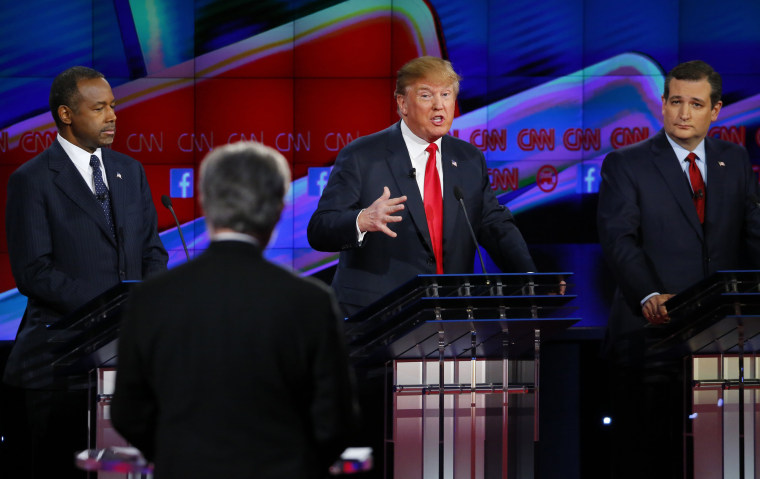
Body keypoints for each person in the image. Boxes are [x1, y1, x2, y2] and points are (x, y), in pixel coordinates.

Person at [111, 141, 360, 479]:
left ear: (206, 204)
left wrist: (177, 453)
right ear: (276, 211)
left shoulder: (152, 298)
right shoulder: (311, 301)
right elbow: (336, 421)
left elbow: (128, 413)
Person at [597, 60, 760, 478]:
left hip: (723, 338)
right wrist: (650, 294)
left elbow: (753, 235)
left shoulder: (734, 159)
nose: (684, 113)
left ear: (716, 110)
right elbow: (619, 240)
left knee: (720, 456)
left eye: (695, 103)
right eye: (675, 102)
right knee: (649, 457)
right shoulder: (626, 163)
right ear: (663, 106)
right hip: (651, 336)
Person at [3, 66, 168, 477]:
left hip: (124, 366)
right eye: (99, 108)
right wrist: (110, 313)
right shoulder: (33, 180)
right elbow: (34, 272)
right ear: (66, 114)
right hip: (58, 369)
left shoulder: (130, 172)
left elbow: (153, 252)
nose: (113, 116)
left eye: (113, 106)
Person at [307, 56, 537, 316]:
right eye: (426, 95)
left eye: (446, 94)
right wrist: (362, 220)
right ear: (402, 103)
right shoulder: (362, 156)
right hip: (379, 316)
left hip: (451, 316)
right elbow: (319, 230)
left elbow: (495, 226)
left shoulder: (468, 159)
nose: (439, 105)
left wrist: (531, 279)